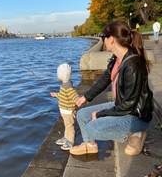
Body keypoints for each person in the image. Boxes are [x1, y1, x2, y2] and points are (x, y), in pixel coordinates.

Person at [70, 20, 154, 156]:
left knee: (92, 128)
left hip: (135, 116)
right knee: (82, 114)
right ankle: (89, 145)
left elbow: (129, 106)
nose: (103, 40)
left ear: (112, 39)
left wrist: (100, 114)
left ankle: (136, 134)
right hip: (120, 105)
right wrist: (85, 97)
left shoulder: (133, 66)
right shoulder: (117, 58)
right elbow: (104, 79)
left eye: (104, 37)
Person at [50, 63, 79, 150]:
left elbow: (74, 96)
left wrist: (78, 101)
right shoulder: (64, 86)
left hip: (69, 111)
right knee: (67, 125)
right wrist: (56, 95)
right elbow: (63, 95)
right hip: (65, 111)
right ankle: (66, 137)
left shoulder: (67, 87)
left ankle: (71, 140)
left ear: (59, 75)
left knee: (69, 125)